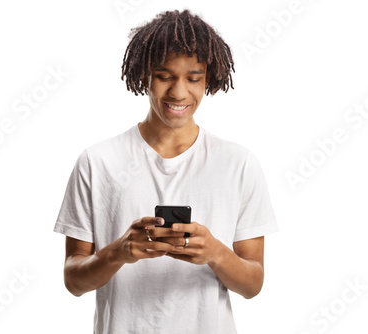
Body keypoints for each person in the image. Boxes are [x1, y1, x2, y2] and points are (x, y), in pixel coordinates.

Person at [54, 9, 278, 333]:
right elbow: (73, 280)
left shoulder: (238, 164)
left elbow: (252, 283)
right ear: (144, 73)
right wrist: (119, 252)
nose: (178, 92)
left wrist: (215, 252)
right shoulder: (97, 162)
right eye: (164, 75)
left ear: (209, 78)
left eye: (193, 77)